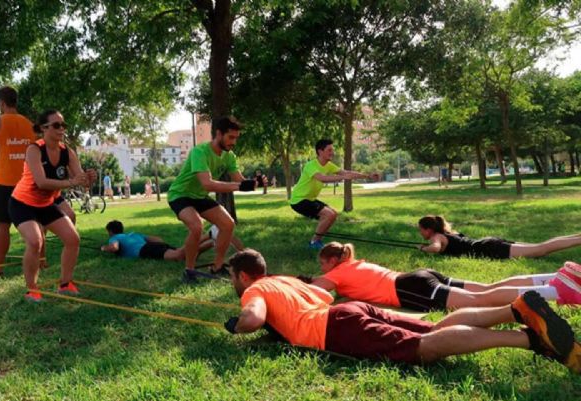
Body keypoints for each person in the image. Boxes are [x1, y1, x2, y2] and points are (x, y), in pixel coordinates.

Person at [224, 249, 581, 371]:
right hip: (349, 311)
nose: (234, 284)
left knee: (423, 349)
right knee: (432, 330)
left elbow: (253, 318)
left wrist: (237, 325)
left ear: (242, 275)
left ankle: (530, 340)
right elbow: (320, 299)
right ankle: (515, 309)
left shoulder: (254, 289)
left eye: (232, 277)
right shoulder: (284, 279)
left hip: (334, 329)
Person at [306, 242, 581, 312]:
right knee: (488, 287)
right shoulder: (354, 262)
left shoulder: (336, 273)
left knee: (480, 299)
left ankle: (557, 290)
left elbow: (316, 291)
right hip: (420, 275)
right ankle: (555, 276)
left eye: (322, 264)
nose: (322, 269)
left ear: (331, 260)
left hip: (409, 288)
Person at [9, 109, 96, 303]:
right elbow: (41, 182)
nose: (62, 129)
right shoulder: (34, 149)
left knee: (73, 239)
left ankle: (65, 284)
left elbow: (80, 180)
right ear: (43, 128)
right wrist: (71, 182)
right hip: (22, 204)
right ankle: (31, 290)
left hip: (45, 204)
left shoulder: (67, 152)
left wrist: (88, 179)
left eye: (63, 125)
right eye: (56, 125)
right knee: (35, 241)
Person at [167, 116, 258, 282]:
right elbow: (207, 184)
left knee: (228, 224)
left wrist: (253, 183)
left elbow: (239, 180)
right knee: (196, 226)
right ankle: (189, 271)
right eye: (230, 137)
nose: (233, 142)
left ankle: (217, 267)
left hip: (199, 196)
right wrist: (239, 186)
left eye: (236, 138)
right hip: (180, 195)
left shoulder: (229, 156)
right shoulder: (199, 152)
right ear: (218, 134)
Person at [0, 86, 36, 279]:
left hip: (5, 182)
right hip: (28, 181)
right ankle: (41, 261)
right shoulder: (30, 125)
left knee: (2, 226)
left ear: (2, 103)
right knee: (34, 223)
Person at [290, 139, 368, 250]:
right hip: (299, 200)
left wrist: (367, 176)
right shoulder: (310, 165)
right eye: (329, 150)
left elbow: (346, 173)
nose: (332, 152)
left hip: (309, 199)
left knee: (333, 214)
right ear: (320, 151)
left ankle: (317, 241)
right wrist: (343, 177)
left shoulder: (328, 165)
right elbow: (323, 178)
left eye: (332, 150)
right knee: (328, 215)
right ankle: (314, 243)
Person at [418, 215, 581, 259]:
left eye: (421, 230)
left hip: (491, 248)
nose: (420, 234)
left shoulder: (437, 237)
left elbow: (436, 248)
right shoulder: (447, 233)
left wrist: (424, 248)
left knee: (540, 249)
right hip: (490, 243)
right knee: (540, 246)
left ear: (429, 229)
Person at [101, 220, 213, 261]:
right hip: (154, 245)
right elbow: (157, 239)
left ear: (111, 231)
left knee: (178, 255)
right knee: (188, 254)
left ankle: (208, 235)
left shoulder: (114, 238)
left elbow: (114, 247)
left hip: (145, 250)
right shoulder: (133, 234)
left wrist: (104, 248)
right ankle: (213, 240)